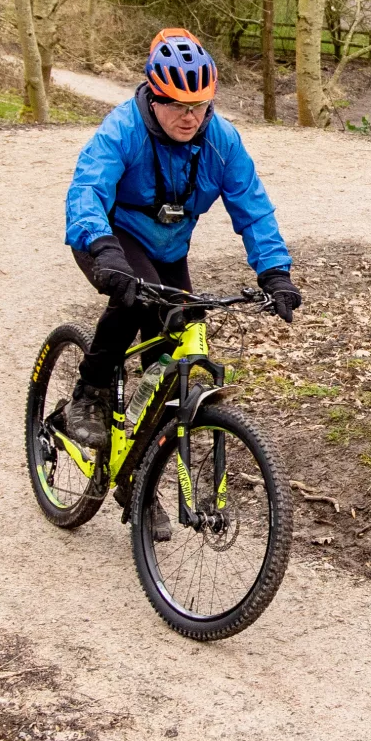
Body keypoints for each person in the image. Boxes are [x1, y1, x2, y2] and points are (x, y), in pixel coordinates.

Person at [62, 28, 301, 465]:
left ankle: (137, 485)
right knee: (136, 299)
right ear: (154, 97)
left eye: (199, 106)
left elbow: (253, 207)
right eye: (176, 104)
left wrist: (275, 272)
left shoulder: (221, 140)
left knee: (172, 362)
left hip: (169, 249)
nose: (189, 117)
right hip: (111, 239)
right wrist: (101, 247)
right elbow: (88, 189)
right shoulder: (123, 128)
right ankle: (90, 393)